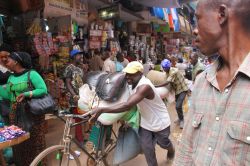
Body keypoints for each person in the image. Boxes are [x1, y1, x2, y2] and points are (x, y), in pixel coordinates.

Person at [174, 0, 250, 165]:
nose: (194, 30)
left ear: (221, 15)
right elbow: (185, 151)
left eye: (197, 19)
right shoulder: (202, 81)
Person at [91, 61, 175, 166]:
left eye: (131, 74)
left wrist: (102, 110)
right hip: (145, 122)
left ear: (140, 73)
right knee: (147, 148)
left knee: (163, 143)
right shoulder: (131, 84)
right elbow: (128, 103)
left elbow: (127, 105)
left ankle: (171, 149)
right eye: (126, 74)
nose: (127, 76)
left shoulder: (145, 86)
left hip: (160, 122)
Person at [0, 51, 47, 165]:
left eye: (9, 59)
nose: (6, 61)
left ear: (16, 61)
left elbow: (43, 89)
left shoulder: (32, 74)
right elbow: (9, 95)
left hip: (32, 114)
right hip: (15, 114)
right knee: (19, 143)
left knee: (34, 142)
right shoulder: (11, 77)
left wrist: (27, 94)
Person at [156, 59, 189, 129]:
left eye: (165, 68)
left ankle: (182, 120)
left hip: (183, 89)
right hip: (177, 90)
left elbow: (167, 82)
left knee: (178, 106)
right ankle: (180, 118)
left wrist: (156, 86)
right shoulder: (166, 72)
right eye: (163, 68)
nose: (164, 69)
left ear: (168, 67)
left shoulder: (173, 71)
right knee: (177, 106)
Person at [64, 49, 85, 145]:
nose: (80, 57)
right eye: (78, 55)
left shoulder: (80, 68)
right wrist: (74, 95)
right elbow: (68, 83)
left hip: (81, 96)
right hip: (74, 97)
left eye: (81, 55)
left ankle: (80, 136)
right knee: (78, 117)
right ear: (73, 57)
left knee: (81, 117)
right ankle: (79, 139)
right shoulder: (69, 68)